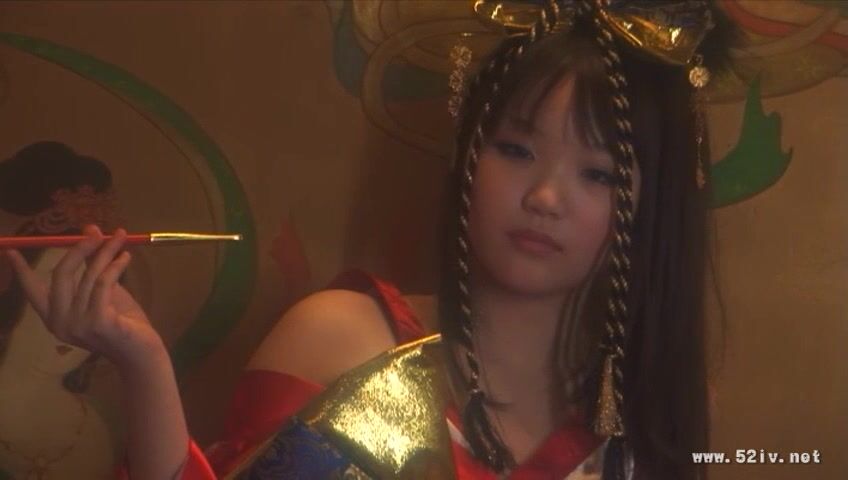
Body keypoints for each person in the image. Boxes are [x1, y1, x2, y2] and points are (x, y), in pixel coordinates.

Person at [3, 1, 736, 479]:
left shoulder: (655, 403)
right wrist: (143, 364)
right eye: (516, 150)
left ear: (654, 207)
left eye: (598, 173)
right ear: (467, 158)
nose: (545, 196)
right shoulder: (344, 338)